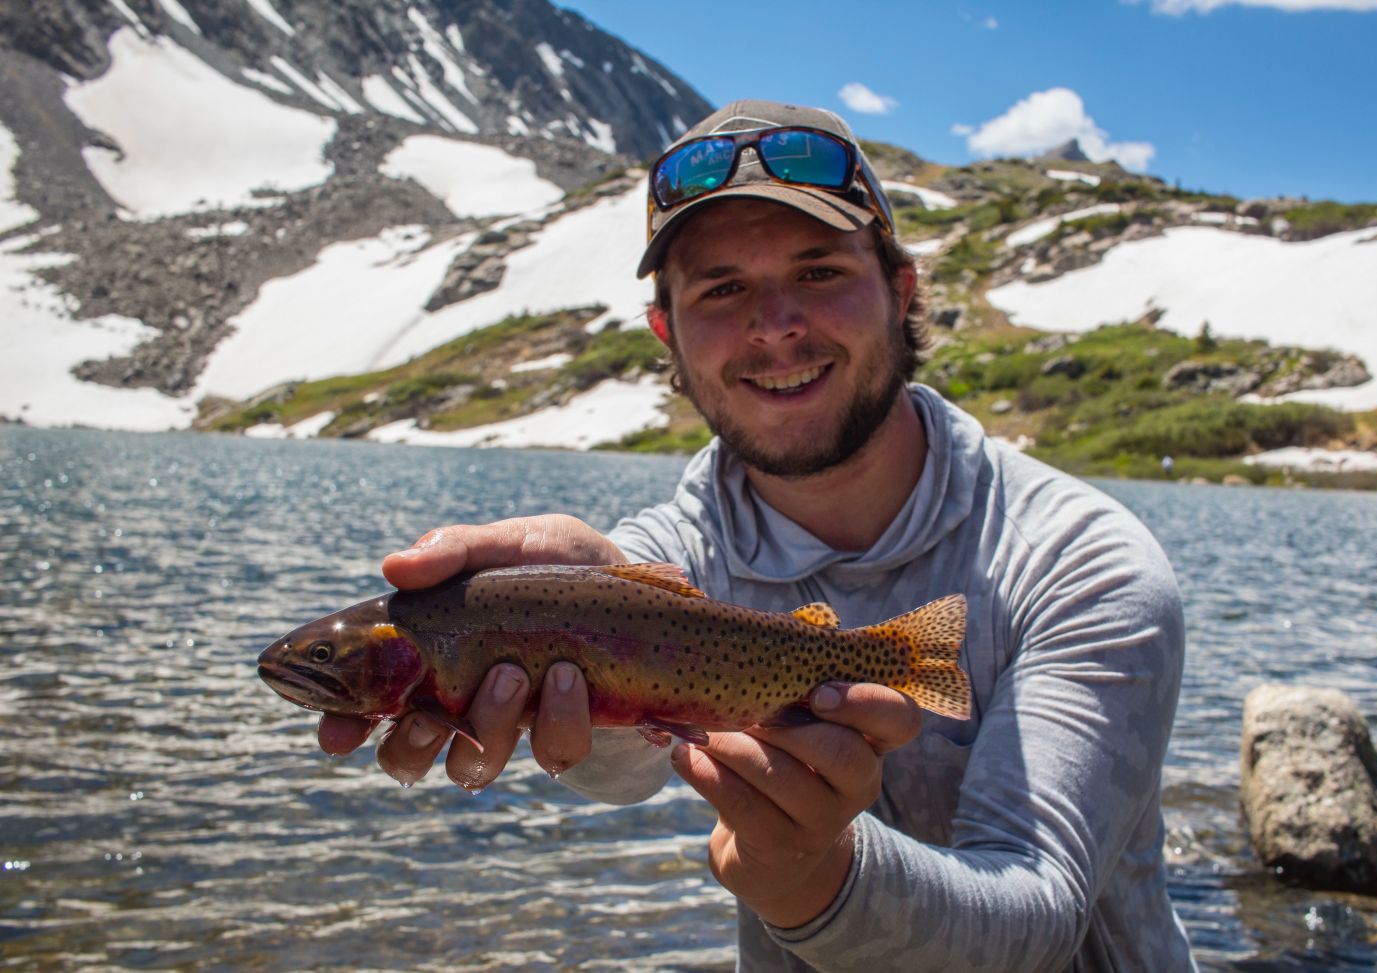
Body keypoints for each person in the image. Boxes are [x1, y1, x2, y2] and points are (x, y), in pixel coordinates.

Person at [318, 100, 1198, 971]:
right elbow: (621, 773)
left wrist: (817, 881)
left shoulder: (1082, 564)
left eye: (818, 272)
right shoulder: (671, 554)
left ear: (901, 291)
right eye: (723, 288)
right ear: (668, 332)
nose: (775, 325)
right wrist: (581, 656)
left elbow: (1036, 919)